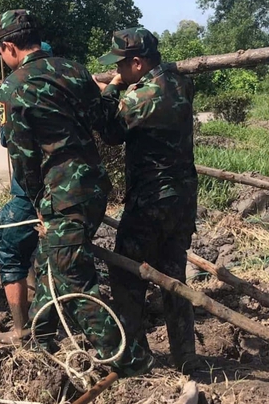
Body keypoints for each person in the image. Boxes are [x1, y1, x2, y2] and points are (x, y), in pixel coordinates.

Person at [0, 9, 150, 376]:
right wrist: (111, 89)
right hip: (93, 183)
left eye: (1, 51)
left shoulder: (14, 87)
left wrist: (36, 207)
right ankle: (39, 336)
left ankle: (130, 361)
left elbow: (23, 159)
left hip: (62, 193)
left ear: (10, 47)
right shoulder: (74, 70)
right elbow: (102, 120)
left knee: (74, 277)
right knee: (53, 262)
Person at [95, 27, 199, 374]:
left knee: (127, 273)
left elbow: (110, 133)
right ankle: (186, 356)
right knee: (174, 277)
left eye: (121, 67)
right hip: (183, 199)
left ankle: (136, 356)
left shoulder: (144, 94)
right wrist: (122, 87)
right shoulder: (181, 82)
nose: (118, 72)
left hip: (152, 199)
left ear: (137, 63)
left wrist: (110, 90)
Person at [0, 44, 53, 345]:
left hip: (35, 191)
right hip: (60, 187)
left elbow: (8, 140)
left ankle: (22, 327)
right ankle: (35, 304)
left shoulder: (21, 90)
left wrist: (5, 104)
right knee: (17, 238)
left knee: (8, 241)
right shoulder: (57, 86)